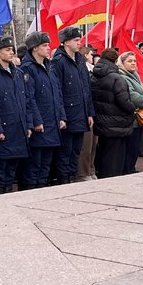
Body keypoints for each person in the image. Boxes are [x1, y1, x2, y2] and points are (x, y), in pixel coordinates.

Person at [0, 34, 40, 193]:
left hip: (18, 127)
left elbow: (26, 100)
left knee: (12, 167)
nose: (11, 52)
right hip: (4, 128)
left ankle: (8, 193)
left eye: (12, 50)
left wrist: (28, 124)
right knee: (0, 167)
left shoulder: (17, 72)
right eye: (7, 49)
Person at [20, 32, 65, 189]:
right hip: (40, 123)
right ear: (34, 48)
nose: (48, 48)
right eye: (45, 45)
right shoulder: (27, 68)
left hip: (52, 121)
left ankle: (41, 187)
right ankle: (31, 189)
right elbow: (29, 98)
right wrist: (36, 121)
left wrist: (61, 116)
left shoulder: (49, 66)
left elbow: (57, 94)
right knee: (34, 162)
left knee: (46, 162)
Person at [51, 26, 94, 183]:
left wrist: (89, 112)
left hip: (81, 114)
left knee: (76, 150)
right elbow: (58, 91)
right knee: (65, 151)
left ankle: (72, 177)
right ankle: (63, 180)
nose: (79, 43)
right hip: (68, 114)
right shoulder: (58, 62)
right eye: (76, 40)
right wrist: (61, 115)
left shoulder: (80, 61)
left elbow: (86, 89)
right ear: (66, 42)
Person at [90, 48, 136, 178]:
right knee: (115, 156)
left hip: (101, 120)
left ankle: (102, 175)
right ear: (116, 60)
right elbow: (124, 101)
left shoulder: (95, 75)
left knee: (104, 151)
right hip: (117, 121)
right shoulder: (116, 78)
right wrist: (133, 108)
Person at [115, 50, 143, 176]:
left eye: (134, 61)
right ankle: (127, 170)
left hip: (138, 119)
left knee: (136, 147)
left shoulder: (134, 75)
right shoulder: (122, 76)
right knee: (131, 148)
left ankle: (131, 168)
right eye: (129, 61)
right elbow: (132, 96)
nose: (133, 63)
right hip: (130, 119)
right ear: (122, 63)